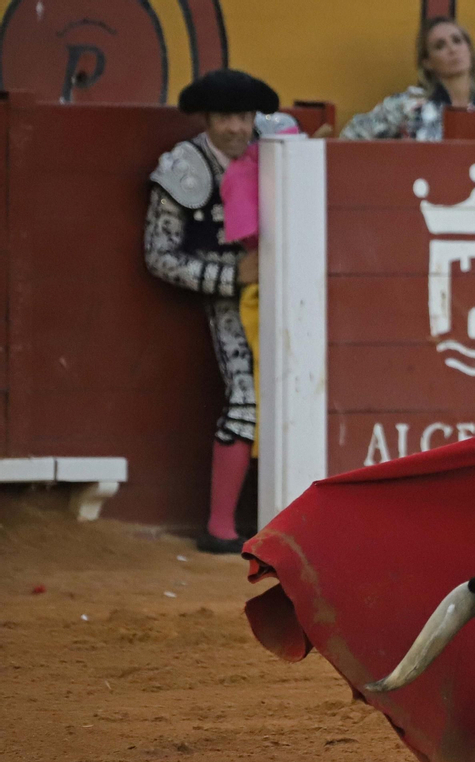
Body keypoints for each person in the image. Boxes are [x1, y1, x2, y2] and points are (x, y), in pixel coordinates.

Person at [143, 70, 280, 554]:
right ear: (207, 119)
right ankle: (221, 527)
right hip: (229, 302)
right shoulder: (184, 167)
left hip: (289, 295)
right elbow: (159, 255)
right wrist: (230, 278)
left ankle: (282, 523)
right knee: (247, 399)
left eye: (244, 116)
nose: (237, 128)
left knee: (298, 399)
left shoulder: (279, 148)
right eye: (225, 117)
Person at [341, 18, 475, 141]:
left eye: (457, 41)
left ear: (470, 50)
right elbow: (351, 135)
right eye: (440, 46)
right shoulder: (407, 106)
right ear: (427, 62)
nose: (452, 49)